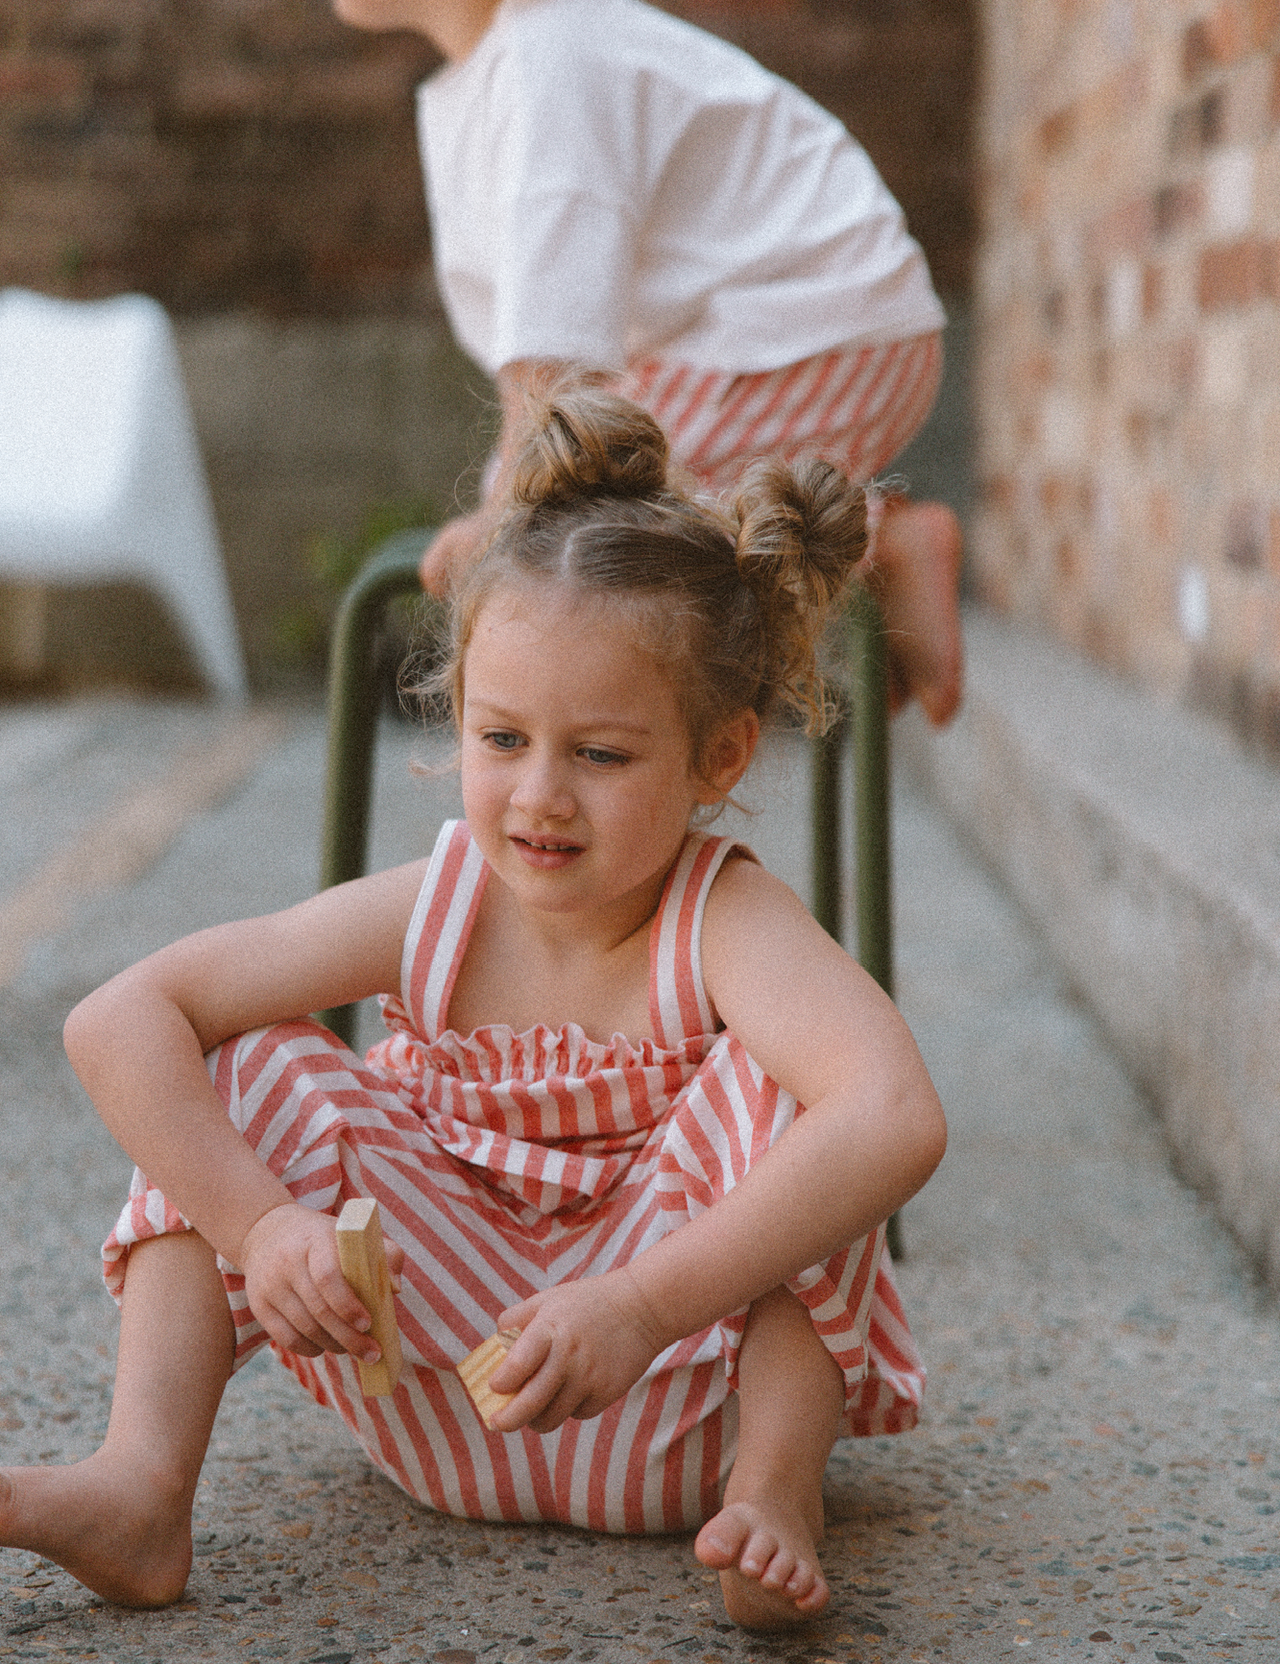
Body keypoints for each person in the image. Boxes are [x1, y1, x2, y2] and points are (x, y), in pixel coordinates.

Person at [1, 385, 946, 1632]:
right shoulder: (444, 902)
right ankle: (139, 1485)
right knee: (250, 1061)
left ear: (717, 757)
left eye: (601, 755)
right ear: (458, 717)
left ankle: (777, 1495)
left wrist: (639, 1303)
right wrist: (268, 1225)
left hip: (663, 1413)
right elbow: (119, 1017)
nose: (540, 796)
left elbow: (896, 1113)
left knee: (799, 1099)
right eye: (502, 738)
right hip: (434, 1388)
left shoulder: (718, 919)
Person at [334, 0, 964, 723]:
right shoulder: (508, 62)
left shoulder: (554, 53)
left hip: (821, 330)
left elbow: (555, 342)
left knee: (591, 510)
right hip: (764, 337)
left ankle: (880, 548)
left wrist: (509, 507)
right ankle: (868, 544)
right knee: (574, 510)